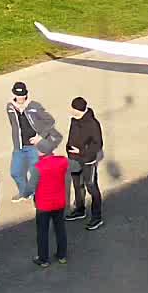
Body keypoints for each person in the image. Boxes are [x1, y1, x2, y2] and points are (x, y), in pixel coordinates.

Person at [65, 96, 104, 229]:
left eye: (74, 110)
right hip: (74, 159)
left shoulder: (93, 124)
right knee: (77, 185)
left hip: (88, 161)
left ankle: (97, 217)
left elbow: (97, 144)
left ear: (80, 110)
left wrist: (81, 150)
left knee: (91, 187)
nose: (71, 112)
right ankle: (80, 210)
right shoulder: (75, 120)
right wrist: (69, 151)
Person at [33, 149, 70, 267]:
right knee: (60, 229)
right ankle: (62, 255)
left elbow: (30, 186)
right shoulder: (62, 161)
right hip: (59, 202)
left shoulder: (38, 167)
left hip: (44, 205)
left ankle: (43, 259)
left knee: (42, 232)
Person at [6, 81, 41, 201]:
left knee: (35, 173)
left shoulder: (34, 107)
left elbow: (47, 123)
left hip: (33, 146)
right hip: (19, 146)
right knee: (15, 172)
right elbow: (15, 113)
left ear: (26, 95)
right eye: (18, 95)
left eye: (22, 96)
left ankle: (38, 195)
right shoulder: (10, 107)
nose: (20, 98)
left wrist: (40, 136)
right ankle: (25, 192)